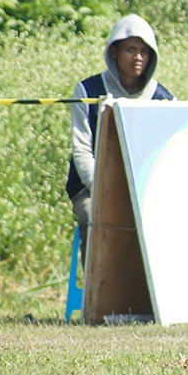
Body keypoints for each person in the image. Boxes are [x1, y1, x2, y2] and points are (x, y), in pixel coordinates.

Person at [66, 14, 175, 255]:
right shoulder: (88, 90)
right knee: (94, 220)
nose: (138, 57)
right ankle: (95, 292)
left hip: (144, 188)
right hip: (91, 188)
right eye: (131, 50)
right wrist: (105, 190)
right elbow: (82, 150)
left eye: (144, 52)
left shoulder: (163, 99)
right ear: (114, 52)